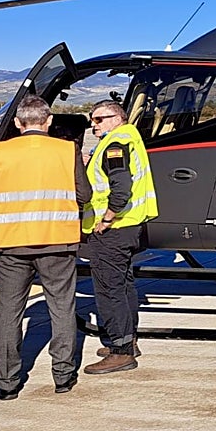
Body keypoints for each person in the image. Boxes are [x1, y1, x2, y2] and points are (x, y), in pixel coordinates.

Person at [0, 94, 92, 399]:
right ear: (49, 121)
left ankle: (8, 382)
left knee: (9, 311)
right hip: (58, 240)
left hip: (13, 242)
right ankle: (63, 376)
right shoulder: (67, 150)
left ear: (17, 122)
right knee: (62, 306)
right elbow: (84, 195)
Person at [82, 99, 158, 375]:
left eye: (98, 119)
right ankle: (128, 340)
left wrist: (106, 219)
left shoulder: (116, 144)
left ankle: (120, 351)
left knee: (108, 289)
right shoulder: (127, 139)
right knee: (124, 285)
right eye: (92, 119)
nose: (93, 125)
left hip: (113, 229)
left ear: (116, 117)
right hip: (129, 227)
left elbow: (120, 187)